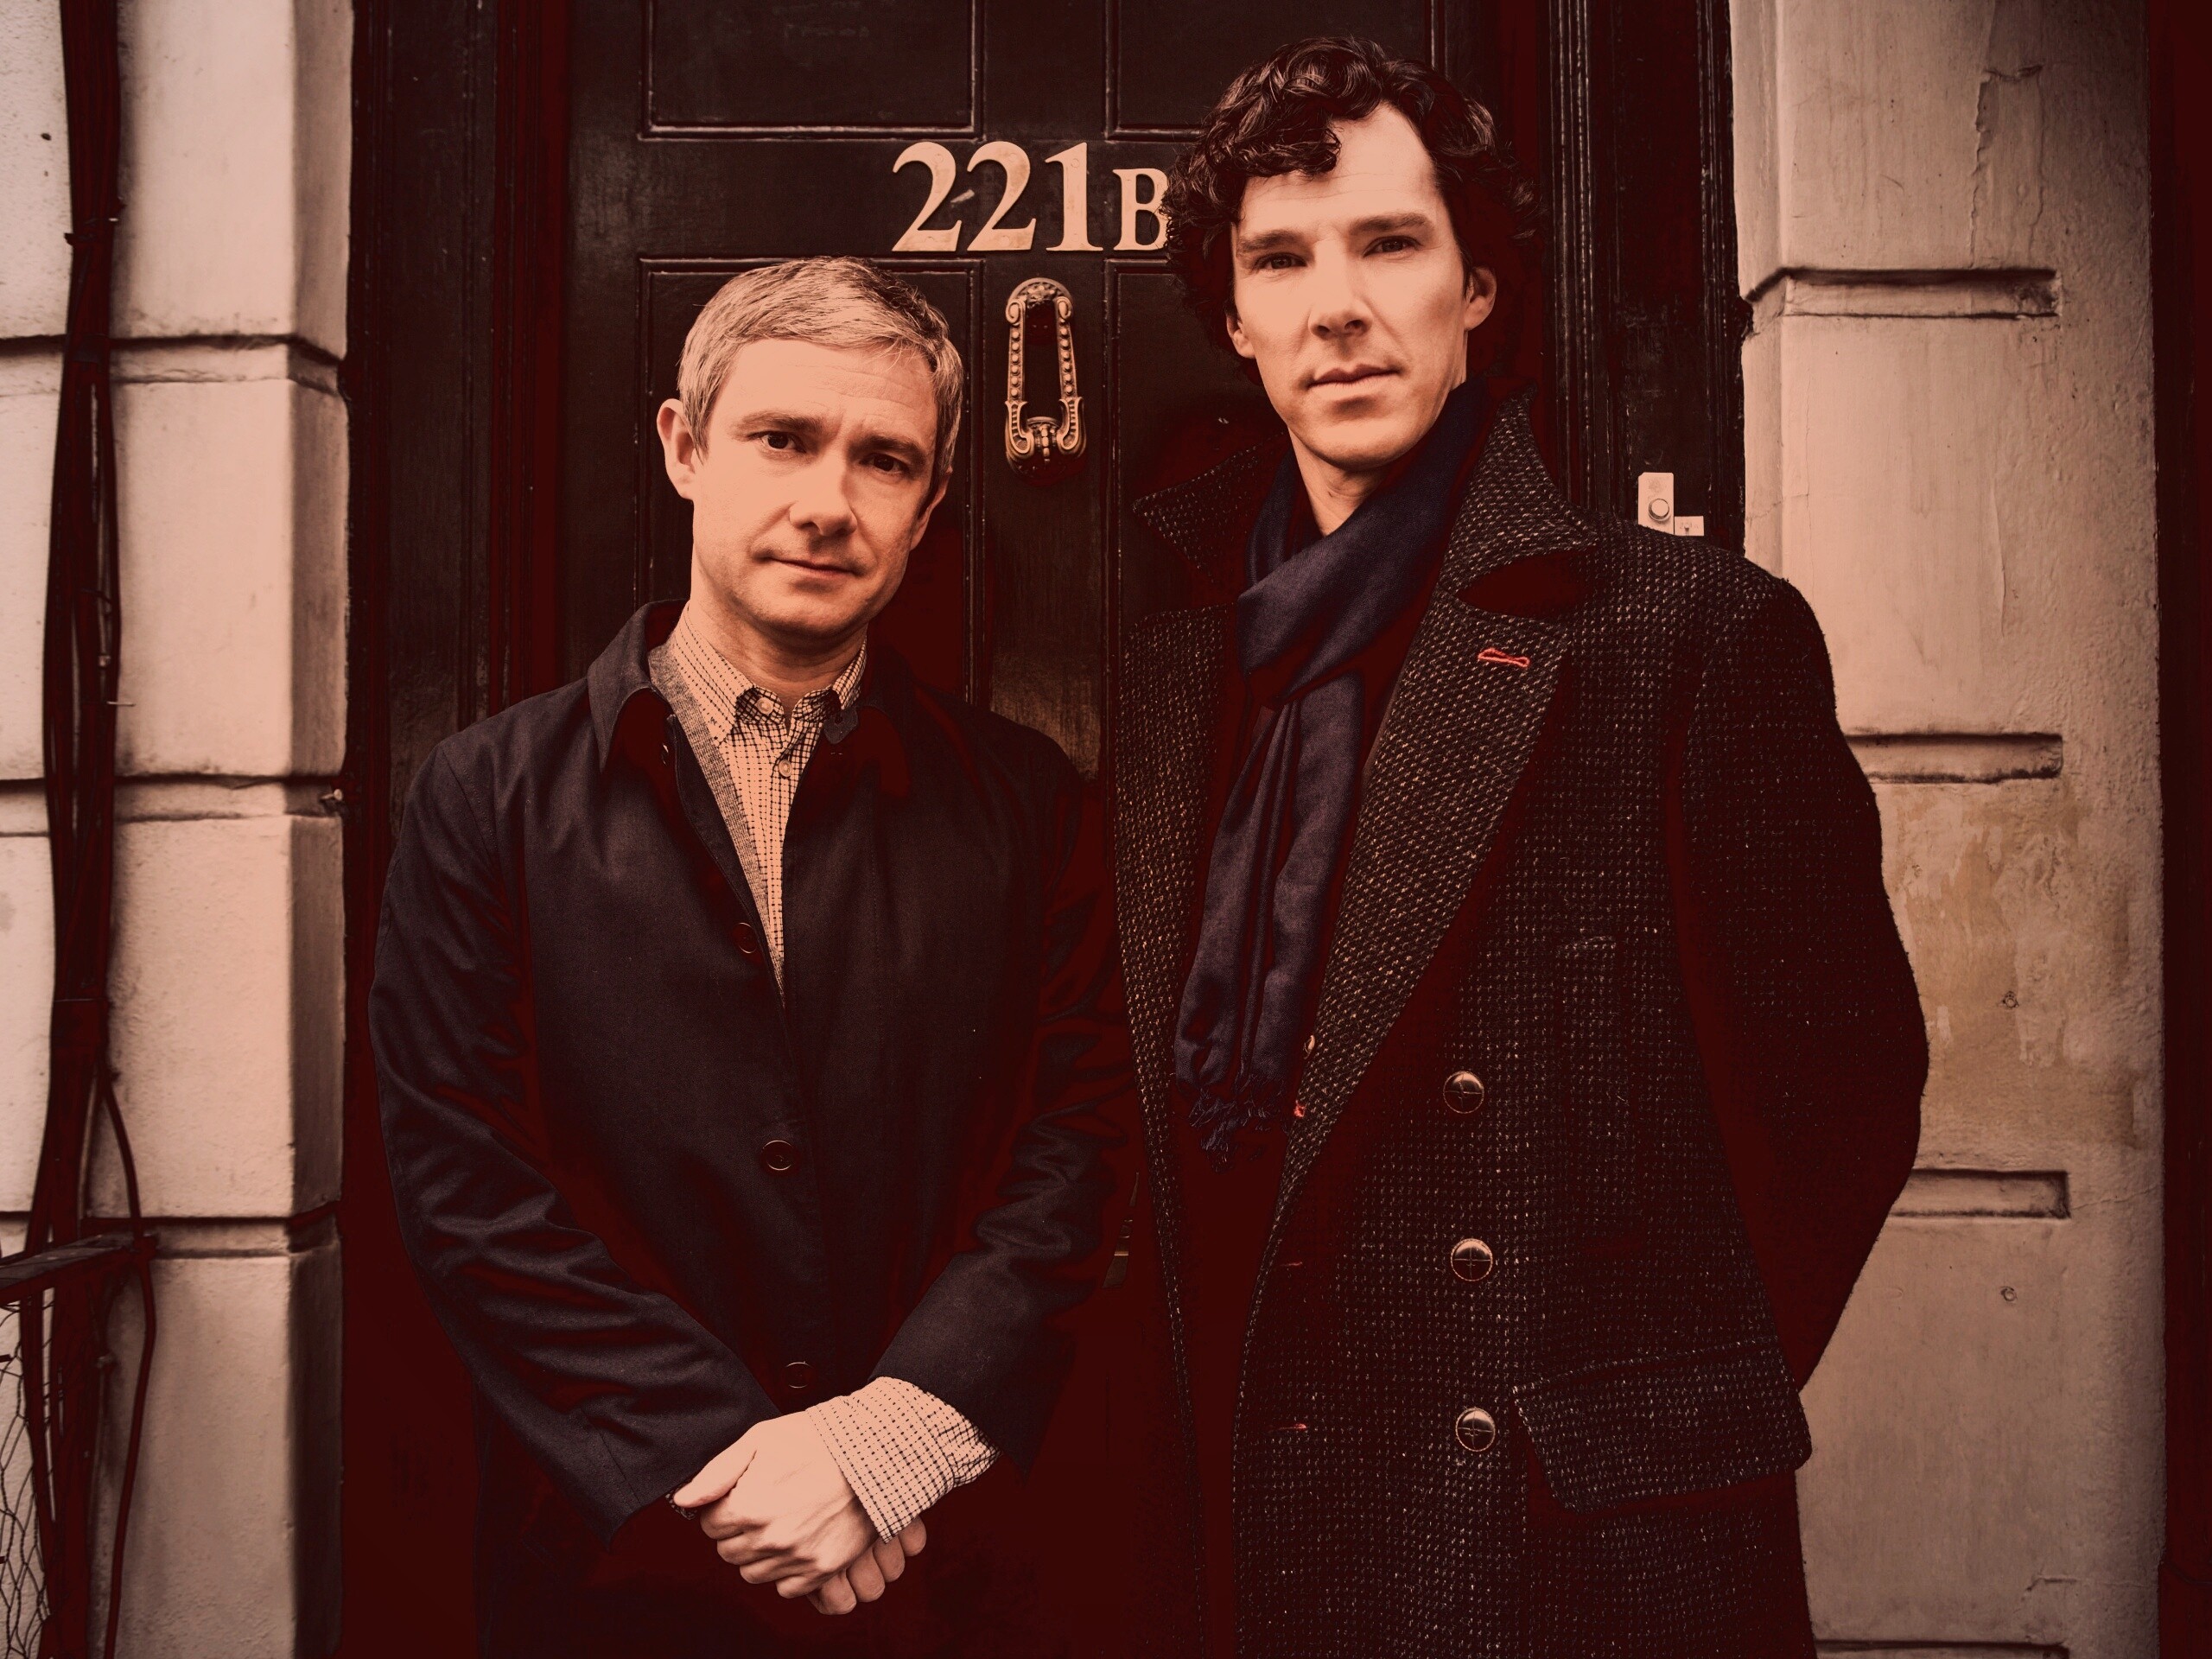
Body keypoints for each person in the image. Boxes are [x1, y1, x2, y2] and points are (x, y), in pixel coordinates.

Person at [1110, 36, 1929, 1657]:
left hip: (1555, 1546)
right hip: (1242, 1497)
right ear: (1236, 320)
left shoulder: (1687, 637)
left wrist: (1642, 1421)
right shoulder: (1174, 672)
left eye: (1390, 244)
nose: (1338, 308)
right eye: (1282, 260)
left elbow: (1843, 1096)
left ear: (1477, 287)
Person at [370, 257, 1137, 1656]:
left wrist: (886, 1449)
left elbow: (1078, 1142)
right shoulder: (486, 797)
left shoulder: (1027, 802)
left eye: (884, 460)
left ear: (928, 509)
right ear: (684, 447)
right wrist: (736, 1466)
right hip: (619, 1564)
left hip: (943, 1566)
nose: (829, 501)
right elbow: (465, 1182)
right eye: (783, 438)